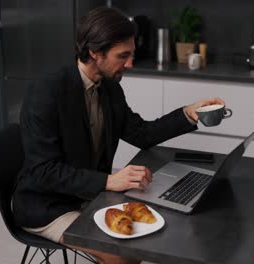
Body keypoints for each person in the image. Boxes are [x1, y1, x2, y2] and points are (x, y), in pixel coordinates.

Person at [12, 6, 225, 264]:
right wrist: (108, 181)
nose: (130, 63)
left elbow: (142, 133)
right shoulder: (46, 91)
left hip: (89, 196)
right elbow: (43, 171)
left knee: (150, 236)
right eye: (122, 56)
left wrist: (189, 113)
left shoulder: (109, 88)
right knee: (124, 257)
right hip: (47, 205)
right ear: (95, 53)